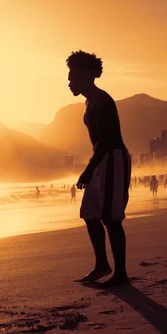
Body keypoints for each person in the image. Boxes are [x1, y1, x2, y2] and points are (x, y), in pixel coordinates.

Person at [68, 51, 131, 288]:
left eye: (72, 77)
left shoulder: (102, 101)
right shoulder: (89, 102)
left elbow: (105, 140)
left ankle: (121, 275)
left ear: (85, 75)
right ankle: (102, 264)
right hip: (101, 159)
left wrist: (88, 170)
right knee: (89, 213)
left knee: (110, 218)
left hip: (112, 158)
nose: (69, 83)